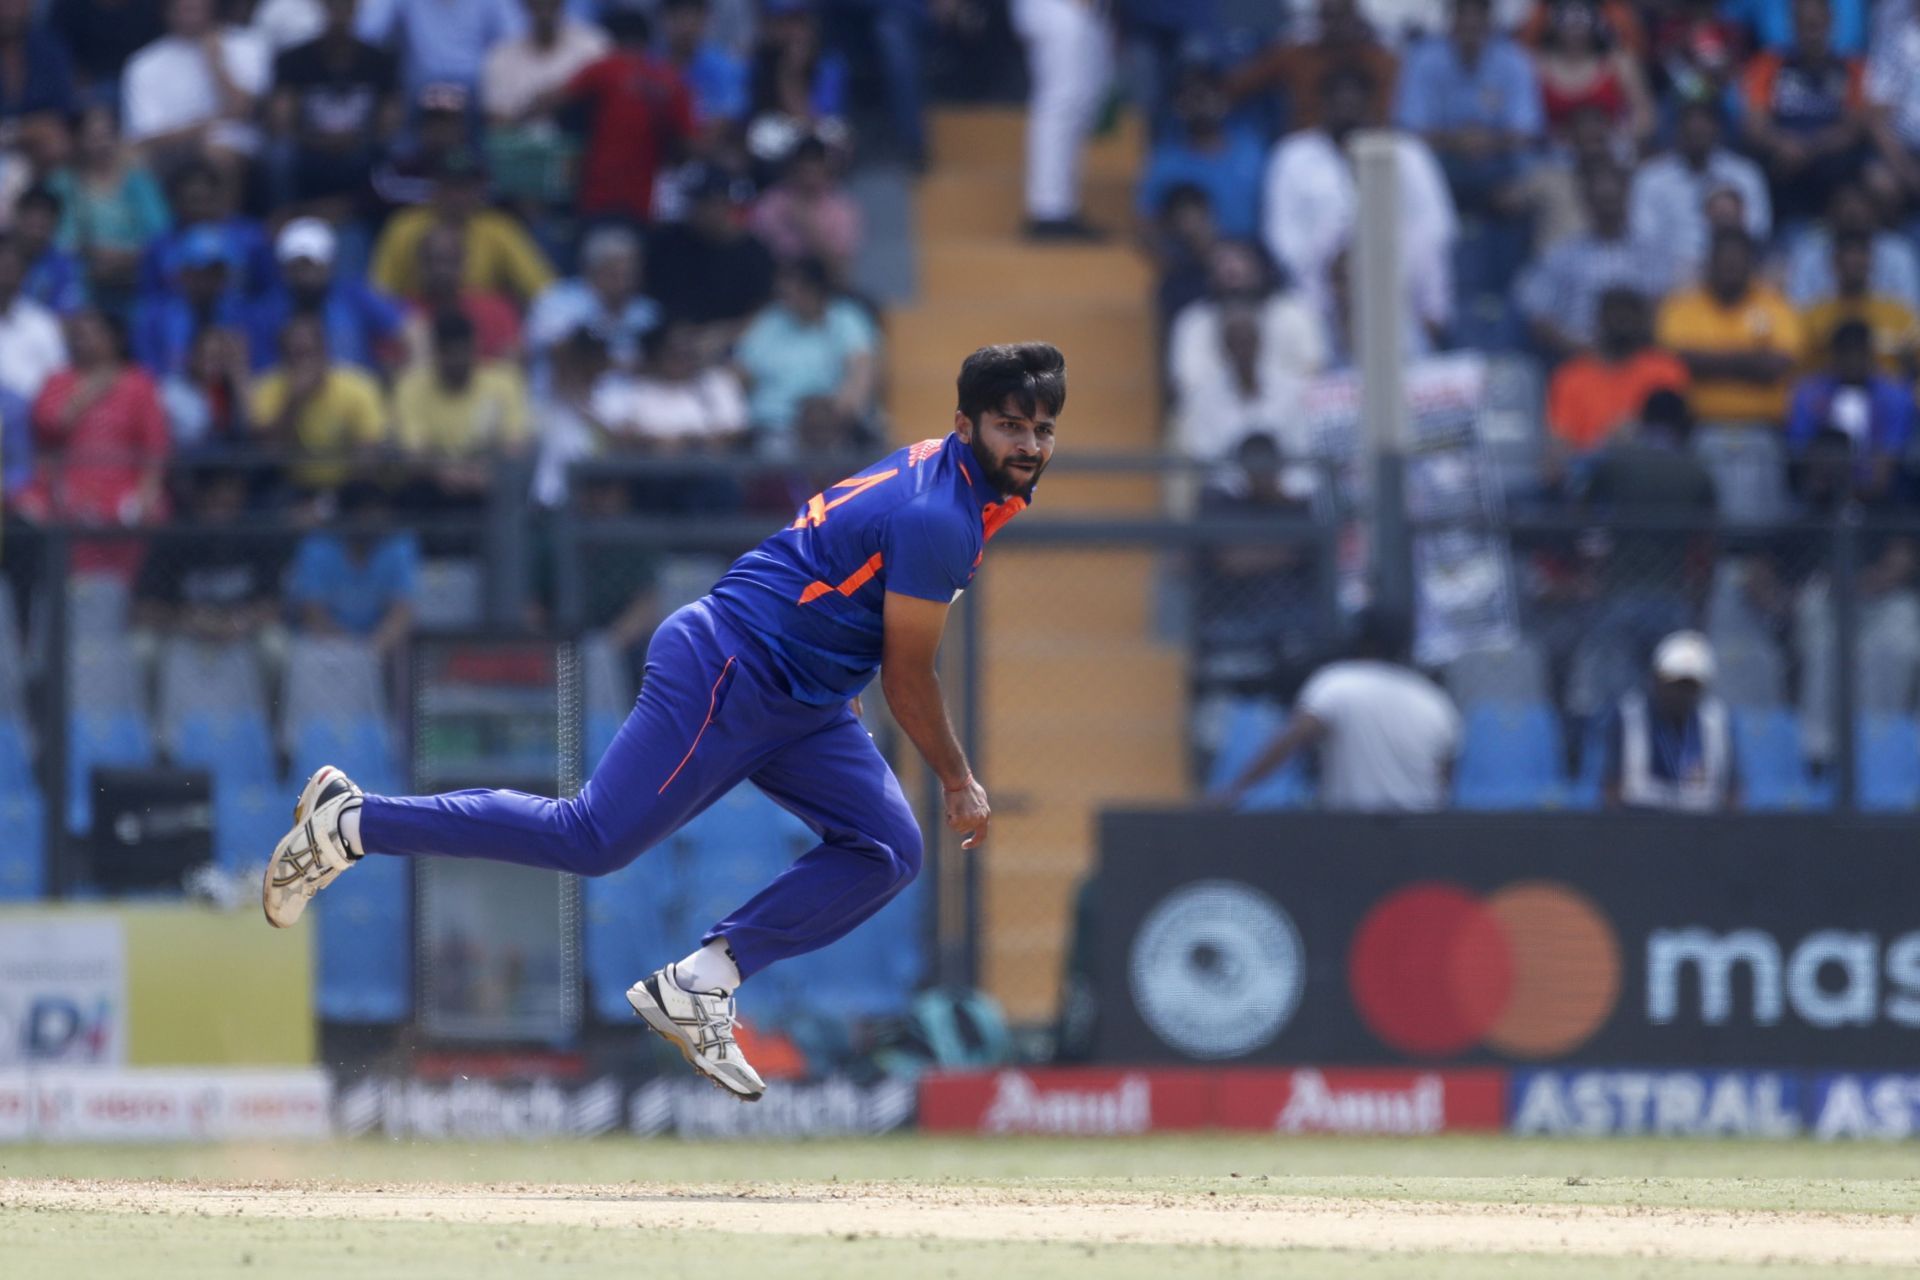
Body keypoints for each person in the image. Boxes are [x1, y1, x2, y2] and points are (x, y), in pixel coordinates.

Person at [261, 342, 1064, 1104]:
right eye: (1009, 424)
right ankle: (353, 823)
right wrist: (958, 780)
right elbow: (908, 675)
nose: (1028, 443)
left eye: (1041, 428)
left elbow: (841, 577)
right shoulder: (942, 516)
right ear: (966, 426)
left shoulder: (959, 481)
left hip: (805, 696)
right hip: (731, 667)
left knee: (889, 850)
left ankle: (700, 984)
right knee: (592, 838)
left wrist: (829, 662)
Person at [1265, 64, 1457, 355]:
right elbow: (1282, 238)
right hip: (1319, 300)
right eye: (1337, 101)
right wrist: (1331, 278)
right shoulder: (1293, 155)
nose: (1346, 109)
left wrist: (1387, 271)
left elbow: (1436, 226)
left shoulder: (1407, 152)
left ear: (1371, 104)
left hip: (1398, 292)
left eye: (1354, 101)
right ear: (1322, 104)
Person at [1214, 606, 1462, 811]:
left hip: (1351, 827)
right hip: (1419, 826)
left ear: (1363, 641)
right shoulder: (1432, 698)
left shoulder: (1339, 682)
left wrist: (1237, 790)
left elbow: (1295, 737)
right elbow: (1444, 778)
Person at [1655, 228, 1804, 519]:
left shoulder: (1774, 304)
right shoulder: (1684, 305)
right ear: (1709, 262)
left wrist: (1710, 360)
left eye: (1738, 261)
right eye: (1723, 261)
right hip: (1698, 429)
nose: (1730, 268)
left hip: (1764, 431)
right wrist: (1750, 361)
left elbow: (1778, 365)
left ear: (1751, 263)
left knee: (1763, 523)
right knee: (1701, 522)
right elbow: (1678, 360)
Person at [1515, 161, 1677, 361]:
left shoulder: (1651, 253)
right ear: (1587, 203)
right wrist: (1582, 350)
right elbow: (1538, 314)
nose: (1607, 208)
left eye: (1612, 199)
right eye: (1601, 200)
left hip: (1639, 360)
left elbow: (1662, 307)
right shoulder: (1562, 255)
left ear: (1626, 198)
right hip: (1578, 359)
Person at [268, 0, 404, 211]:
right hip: (309, 149)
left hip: (362, 148)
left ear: (356, 10)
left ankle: (373, 222)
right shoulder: (294, 60)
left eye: (346, 8)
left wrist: (358, 139)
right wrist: (318, 141)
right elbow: (281, 122)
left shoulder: (380, 61)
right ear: (322, 8)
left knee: (397, 151)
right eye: (334, 7)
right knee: (280, 155)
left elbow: (390, 120)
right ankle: (283, 216)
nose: (339, 16)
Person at [733, 256, 877, 454]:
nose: (784, 297)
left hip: (831, 429)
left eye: (791, 290)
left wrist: (836, 416)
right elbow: (739, 375)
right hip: (772, 430)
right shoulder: (770, 320)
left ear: (814, 289)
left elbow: (860, 374)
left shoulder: (846, 319)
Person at [1627, 101, 1770, 281]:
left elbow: (1757, 230)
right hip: (1670, 279)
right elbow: (1644, 239)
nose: (1697, 127)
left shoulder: (1744, 174)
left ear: (1717, 127)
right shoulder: (1650, 178)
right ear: (1676, 127)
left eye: (1704, 120)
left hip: (1731, 273)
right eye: (1690, 120)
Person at [120, 0, 272, 170]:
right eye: (183, 9)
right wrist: (207, 125)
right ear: (167, 11)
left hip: (233, 149)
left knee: (216, 155)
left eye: (196, 8)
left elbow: (245, 111)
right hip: (166, 152)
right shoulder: (143, 64)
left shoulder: (247, 44)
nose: (190, 17)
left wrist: (217, 63)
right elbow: (144, 138)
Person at [46, 104, 171, 310]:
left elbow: (160, 233)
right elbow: (59, 241)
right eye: (93, 137)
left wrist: (127, 258)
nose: (102, 144)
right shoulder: (61, 185)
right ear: (77, 140)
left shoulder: (139, 182)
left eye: (107, 135)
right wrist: (93, 254)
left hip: (136, 279)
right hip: (82, 282)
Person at [1600, 630, 1739, 811]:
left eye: (1690, 686)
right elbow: (1611, 788)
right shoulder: (1628, 716)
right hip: (1640, 824)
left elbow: (1732, 791)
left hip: (1702, 827)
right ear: (1657, 680)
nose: (1681, 694)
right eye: (1674, 684)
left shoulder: (1716, 721)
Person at [248, 217, 405, 374]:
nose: (304, 272)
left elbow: (408, 328)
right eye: (296, 264)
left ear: (329, 263)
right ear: (283, 267)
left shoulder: (354, 295)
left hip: (354, 392)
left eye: (311, 263)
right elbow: (264, 373)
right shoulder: (265, 312)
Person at [1011, 0, 1112, 240]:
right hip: (1057, 7)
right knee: (1061, 103)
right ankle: (1048, 210)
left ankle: (1063, 206)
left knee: (1080, 106)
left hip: (1086, 11)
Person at [1134, 64, 1267, 245]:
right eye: (1193, 99)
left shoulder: (1252, 148)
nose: (1201, 107)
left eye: (1206, 97)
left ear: (1224, 101)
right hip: (1200, 261)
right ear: (1178, 107)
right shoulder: (1165, 164)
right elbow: (1146, 224)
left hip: (1257, 255)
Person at [1785, 320, 1912, 501]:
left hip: (1883, 497)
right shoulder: (1809, 392)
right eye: (1845, 352)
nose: (1852, 360)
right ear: (1834, 355)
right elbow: (1801, 447)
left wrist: (1863, 491)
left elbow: (1890, 454)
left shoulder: (1895, 396)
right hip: (1821, 494)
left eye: (1859, 352)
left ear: (1870, 354)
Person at [526, 224, 659, 381]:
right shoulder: (557, 301)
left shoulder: (646, 312)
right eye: (616, 272)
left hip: (636, 400)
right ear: (592, 269)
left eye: (631, 272)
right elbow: (560, 354)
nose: (626, 281)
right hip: (564, 400)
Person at [1800, 232, 1920, 374]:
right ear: (1834, 263)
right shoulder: (1813, 317)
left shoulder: (1899, 315)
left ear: (1871, 261)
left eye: (1860, 256)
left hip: (1889, 392)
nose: (1853, 262)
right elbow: (1803, 371)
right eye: (1847, 256)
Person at [0, 232, 66, 404]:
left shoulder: (42, 323)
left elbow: (58, 380)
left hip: (29, 419)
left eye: (12, 268)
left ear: (23, 275)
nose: (5, 275)